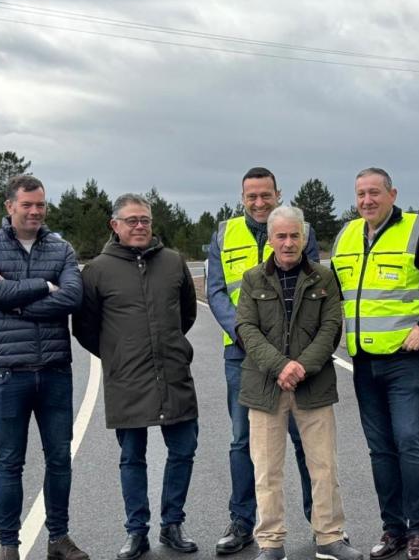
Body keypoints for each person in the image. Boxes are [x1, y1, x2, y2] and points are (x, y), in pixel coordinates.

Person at [332, 167, 419, 560]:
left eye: (374, 192)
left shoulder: (416, 231)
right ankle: (392, 529)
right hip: (364, 362)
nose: (367, 200)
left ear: (392, 194)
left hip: (408, 360)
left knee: (410, 442)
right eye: (360, 194)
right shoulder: (345, 237)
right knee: (380, 449)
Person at [73, 193, 199, 560]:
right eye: (131, 220)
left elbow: (187, 315)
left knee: (183, 449)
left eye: (144, 219)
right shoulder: (96, 270)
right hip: (126, 377)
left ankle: (172, 524)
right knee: (132, 457)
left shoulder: (174, 263)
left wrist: (169, 345)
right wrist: (117, 354)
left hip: (174, 372)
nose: (140, 226)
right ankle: (136, 531)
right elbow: (85, 327)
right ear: (115, 225)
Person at [234, 206, 363, 560]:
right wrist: (280, 366)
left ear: (304, 238)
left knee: (323, 466)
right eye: (281, 236)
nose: (288, 243)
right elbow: (246, 328)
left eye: (295, 236)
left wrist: (302, 367)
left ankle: (330, 537)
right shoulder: (252, 279)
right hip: (265, 387)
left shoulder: (323, 277)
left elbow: (331, 327)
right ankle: (271, 542)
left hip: (313, 385)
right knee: (267, 470)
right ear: (271, 239)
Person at [0, 175, 89, 560]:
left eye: (40, 204)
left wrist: (16, 301)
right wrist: (43, 285)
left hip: (55, 369)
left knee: (59, 458)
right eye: (27, 205)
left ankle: (59, 539)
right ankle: (9, 546)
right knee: (10, 460)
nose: (35, 211)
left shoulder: (61, 248)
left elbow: (72, 297)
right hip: (8, 371)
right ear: (10, 206)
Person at [206, 167, 317, 555]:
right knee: (243, 442)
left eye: (265, 195)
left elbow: (315, 285)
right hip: (241, 354)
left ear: (277, 193)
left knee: (305, 442)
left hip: (292, 356)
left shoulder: (297, 227)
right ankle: (242, 522)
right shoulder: (223, 233)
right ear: (242, 197)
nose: (258, 202)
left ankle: (322, 526)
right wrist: (243, 335)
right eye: (251, 196)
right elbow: (216, 292)